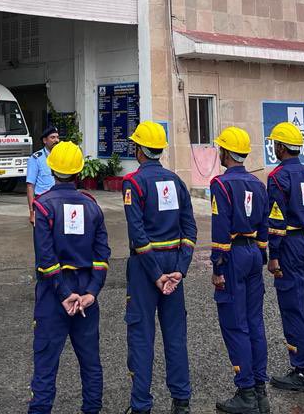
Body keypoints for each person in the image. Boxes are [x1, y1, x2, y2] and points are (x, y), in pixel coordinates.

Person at [28, 141, 110, 414]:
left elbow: (46, 259)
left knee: (46, 363)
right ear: (79, 172)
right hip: (86, 293)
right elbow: (102, 255)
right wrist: (91, 293)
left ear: (51, 170)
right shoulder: (92, 206)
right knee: (90, 363)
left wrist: (64, 294)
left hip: (55, 295)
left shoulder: (43, 207)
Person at [122, 121, 197, 414]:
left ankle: (141, 404)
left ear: (140, 149)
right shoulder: (176, 181)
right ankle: (182, 401)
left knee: (141, 335)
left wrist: (156, 274)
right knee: (175, 334)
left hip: (146, 266)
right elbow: (189, 228)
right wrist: (180, 269)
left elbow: (137, 233)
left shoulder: (134, 183)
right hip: (173, 265)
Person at [209, 126, 270, 414]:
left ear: (225, 152)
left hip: (232, 254)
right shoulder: (258, 184)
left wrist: (217, 264)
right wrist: (261, 251)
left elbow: (220, 227)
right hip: (253, 253)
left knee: (235, 324)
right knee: (255, 321)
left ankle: (245, 392)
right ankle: (260, 390)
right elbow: (264, 224)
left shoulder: (220, 185)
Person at [265, 121, 304, 392]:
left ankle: (301, 370)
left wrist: (273, 254)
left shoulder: (277, 178)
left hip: (288, 243)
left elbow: (276, 219)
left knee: (293, 306)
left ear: (280, 147)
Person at [27, 126, 61, 225]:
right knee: (42, 235)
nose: (56, 140)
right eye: (53, 137)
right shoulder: (36, 158)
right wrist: (31, 211)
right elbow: (30, 186)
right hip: (42, 203)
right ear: (45, 140)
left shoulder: (61, 157)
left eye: (57, 137)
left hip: (58, 201)